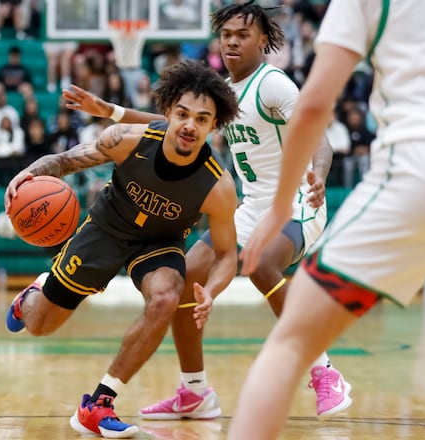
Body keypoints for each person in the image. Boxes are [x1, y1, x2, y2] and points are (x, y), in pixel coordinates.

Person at [229, 0, 425, 438]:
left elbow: (314, 106)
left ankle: (324, 377)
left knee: (289, 344)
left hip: (419, 173)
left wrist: (283, 205)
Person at [63, 0, 351, 421]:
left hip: (298, 203)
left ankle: (324, 371)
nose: (233, 42)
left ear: (263, 41)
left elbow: (317, 136)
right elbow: (171, 121)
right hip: (253, 207)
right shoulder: (224, 91)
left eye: (243, 35)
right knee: (183, 280)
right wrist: (110, 111)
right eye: (227, 34)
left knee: (260, 263)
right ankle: (194, 392)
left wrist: (320, 174)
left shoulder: (274, 85)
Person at [3, 60, 241, 438]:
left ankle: (98, 403)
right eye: (182, 114)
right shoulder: (129, 139)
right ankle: (32, 295)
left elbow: (228, 254)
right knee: (40, 325)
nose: (189, 126)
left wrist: (210, 292)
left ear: (214, 126)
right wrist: (31, 173)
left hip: (160, 243)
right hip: (106, 229)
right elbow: (65, 161)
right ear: (167, 112)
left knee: (166, 297)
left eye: (201, 119)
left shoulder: (218, 186)